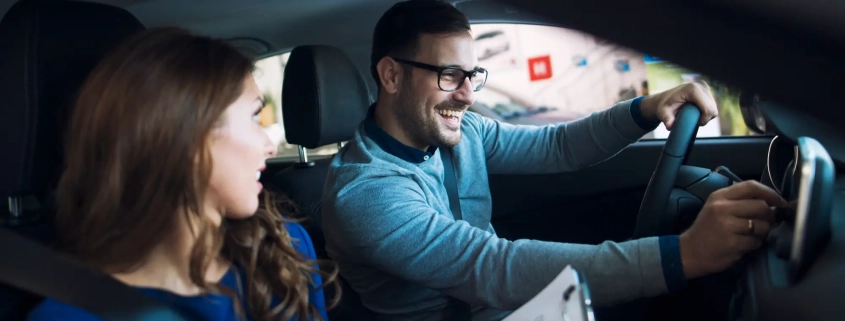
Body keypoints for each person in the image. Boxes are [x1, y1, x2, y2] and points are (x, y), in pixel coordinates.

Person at [321, 0, 786, 320]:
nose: (466, 95)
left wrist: (646, 109)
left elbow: (557, 146)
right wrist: (685, 254)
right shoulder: (364, 192)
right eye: (448, 75)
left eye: (471, 76)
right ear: (391, 75)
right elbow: (492, 266)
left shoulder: (459, 133)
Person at [26, 27, 339, 321]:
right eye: (254, 116)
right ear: (185, 136)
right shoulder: (71, 314)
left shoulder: (283, 247)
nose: (269, 146)